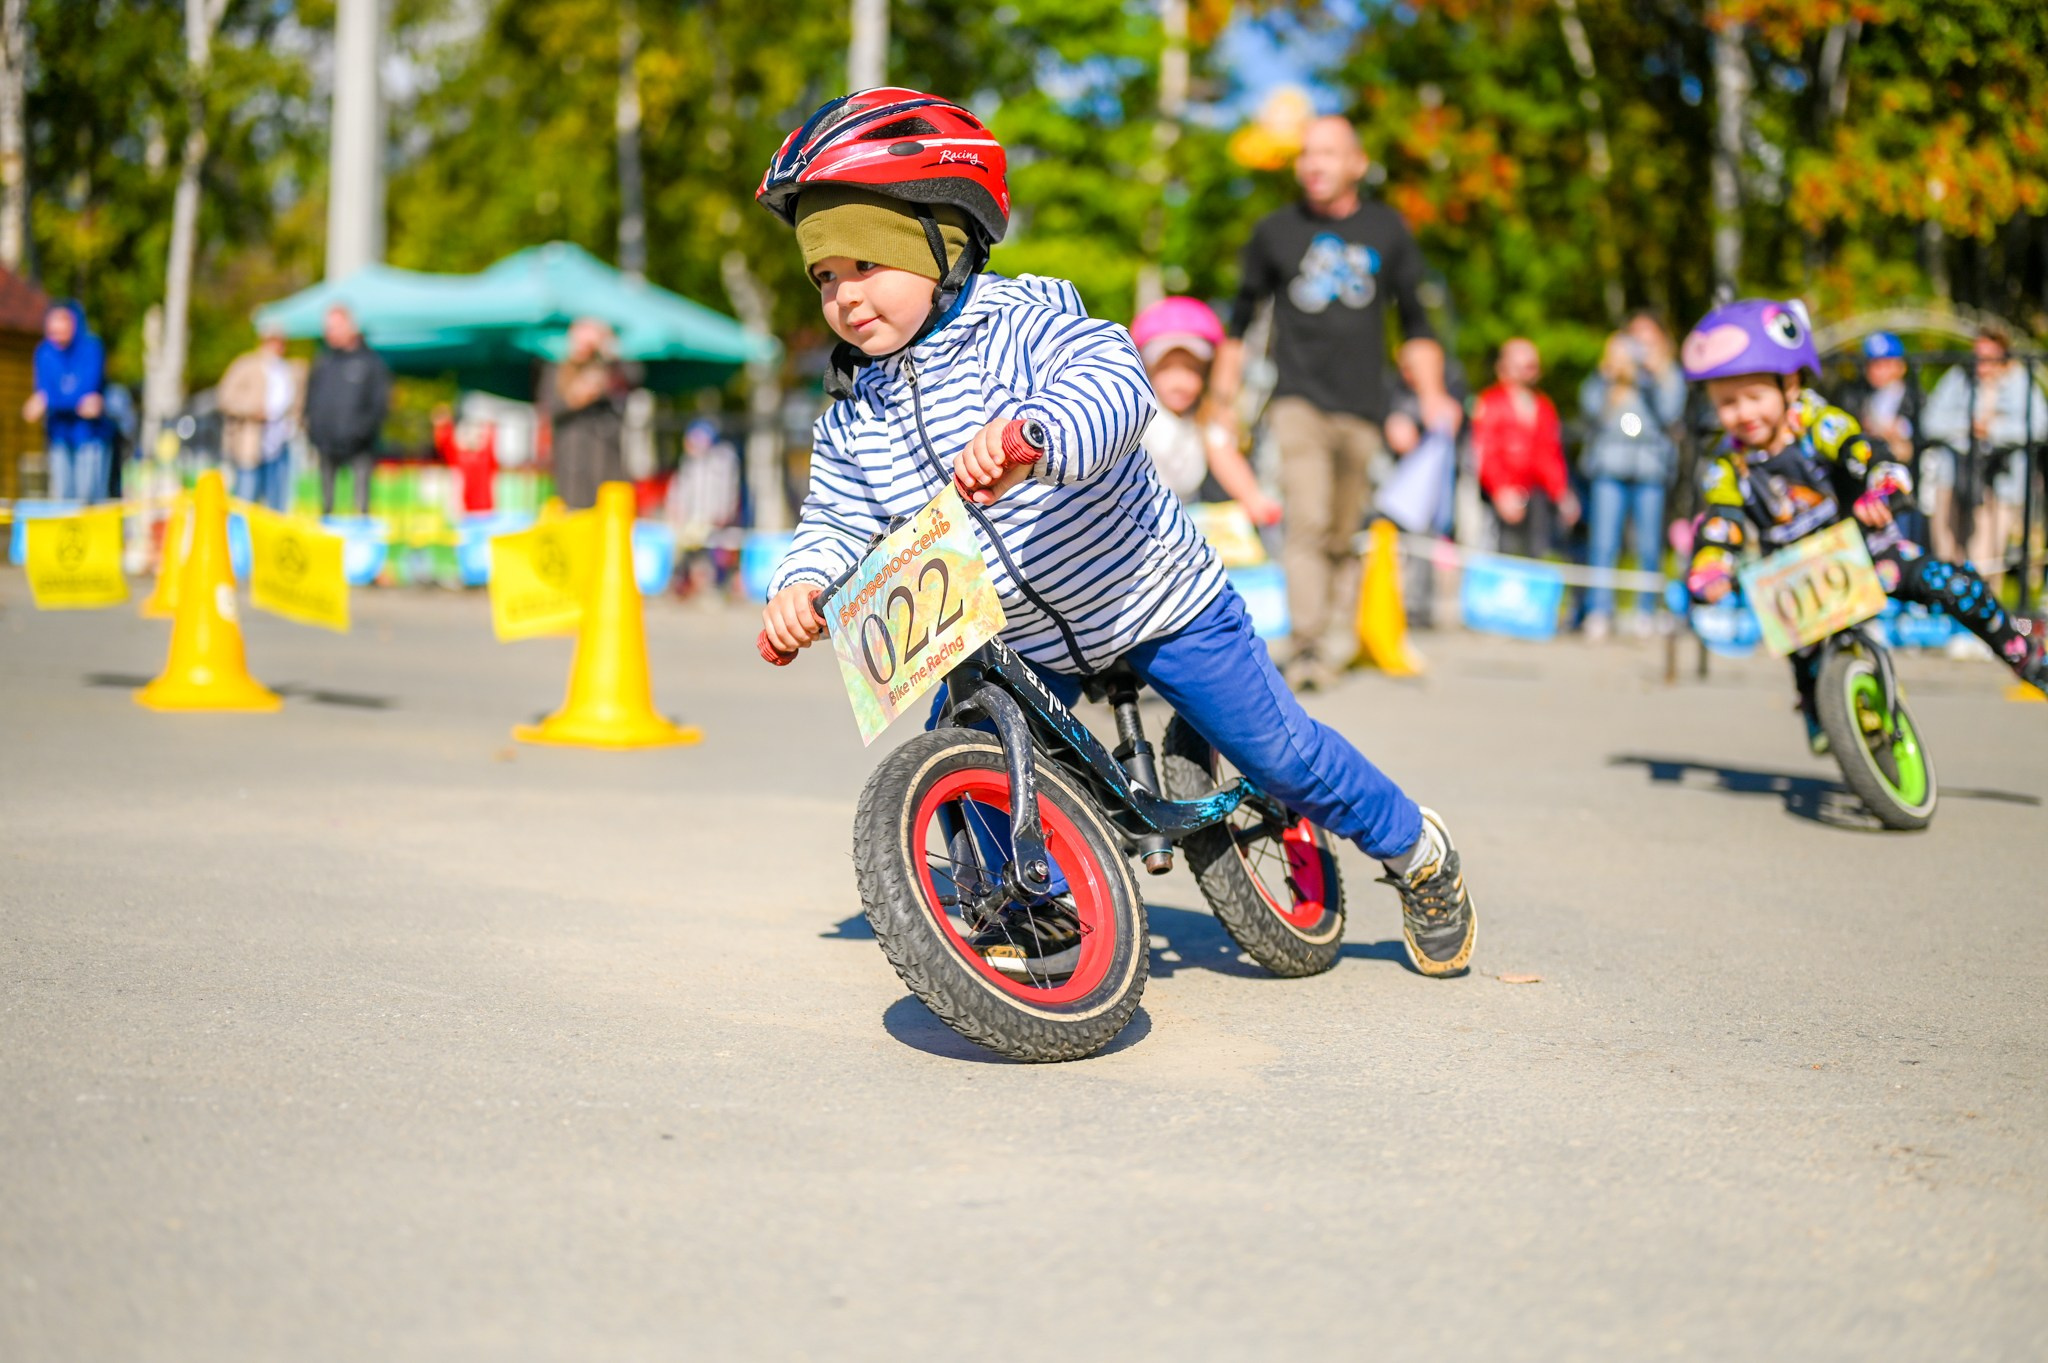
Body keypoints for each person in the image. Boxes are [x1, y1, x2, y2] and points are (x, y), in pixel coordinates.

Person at [754, 87, 1477, 979]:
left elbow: (1114, 382)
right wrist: (802, 586)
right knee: (960, 733)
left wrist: (1039, 434)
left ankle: (1416, 850)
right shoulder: (851, 407)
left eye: (864, 264)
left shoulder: (1025, 322)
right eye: (823, 277)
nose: (843, 297)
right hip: (1016, 630)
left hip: (1151, 596)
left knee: (1279, 753)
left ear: (940, 240)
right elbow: (836, 515)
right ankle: (1038, 904)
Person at [1680, 298, 2046, 751]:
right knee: (1807, 657)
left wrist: (1882, 480)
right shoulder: (1727, 466)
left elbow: (1860, 447)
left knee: (1948, 583)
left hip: (1860, 546)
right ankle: (1819, 704)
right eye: (1727, 403)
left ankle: (2019, 650)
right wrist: (1712, 563)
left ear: (1790, 383)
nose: (1742, 413)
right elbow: (1722, 520)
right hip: (1796, 577)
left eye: (1754, 396)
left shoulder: (1817, 424)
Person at [1208, 115, 1460, 690]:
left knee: (1345, 529)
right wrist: (1222, 402)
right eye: (1306, 154)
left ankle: (1340, 639)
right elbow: (1239, 323)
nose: (1313, 165)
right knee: (1309, 519)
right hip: (1298, 402)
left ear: (1356, 164)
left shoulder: (1387, 230)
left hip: (1364, 407)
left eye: (1327, 154)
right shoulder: (1275, 231)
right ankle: (1307, 648)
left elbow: (1417, 325)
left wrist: (1432, 395)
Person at [1579, 319, 1687, 638]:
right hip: (1609, 466)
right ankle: (1599, 610)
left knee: (1648, 544)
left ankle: (1645, 611)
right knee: (1603, 542)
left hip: (1650, 466)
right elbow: (1589, 408)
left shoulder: (1666, 375)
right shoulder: (1611, 376)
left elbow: (1669, 414)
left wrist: (1652, 377)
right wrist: (1606, 375)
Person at [1127, 295, 1280, 521]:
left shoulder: (1203, 419)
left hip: (1182, 517)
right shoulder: (1141, 417)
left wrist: (1253, 498)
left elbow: (1225, 457)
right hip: (1136, 518)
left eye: (1191, 369)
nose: (1179, 381)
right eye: (1167, 369)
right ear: (1147, 370)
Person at [1919, 323, 2047, 572]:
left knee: (1984, 561)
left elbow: (2038, 428)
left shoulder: (2022, 382)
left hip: (1999, 484)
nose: (1981, 365)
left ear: (2003, 355)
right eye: (1977, 357)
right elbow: (1930, 422)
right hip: (1954, 479)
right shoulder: (1959, 377)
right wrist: (1968, 427)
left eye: (1988, 358)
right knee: (1946, 556)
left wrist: (1994, 430)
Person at [1472, 337, 1576, 558]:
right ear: (1504, 368)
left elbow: (1549, 455)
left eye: (1533, 366)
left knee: (1535, 556)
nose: (1529, 371)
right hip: (1497, 500)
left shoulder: (1544, 407)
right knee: (1502, 556)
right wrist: (1500, 490)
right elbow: (1484, 452)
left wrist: (1561, 493)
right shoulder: (1490, 402)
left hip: (1536, 500)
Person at [304, 304, 391, 516]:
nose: (329, 333)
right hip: (325, 444)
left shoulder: (371, 362)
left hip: (359, 446)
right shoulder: (323, 361)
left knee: (360, 506)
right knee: (326, 508)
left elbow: (380, 404)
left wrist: (361, 431)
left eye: (334, 327)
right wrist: (314, 431)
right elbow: (310, 399)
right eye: (328, 328)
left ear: (350, 327)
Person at [27, 301, 109, 503]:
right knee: (62, 497)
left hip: (90, 434)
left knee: (88, 497)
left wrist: (49, 400)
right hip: (59, 435)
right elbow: (51, 393)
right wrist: (67, 401)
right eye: (52, 322)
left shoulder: (91, 348)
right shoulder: (44, 353)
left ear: (74, 322)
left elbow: (88, 392)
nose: (56, 328)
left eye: (62, 320)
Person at [219, 326, 307, 514]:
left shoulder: (288, 369)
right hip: (251, 443)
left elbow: (296, 405)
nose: (276, 346)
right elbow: (225, 397)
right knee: (246, 500)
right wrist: (252, 410)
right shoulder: (246, 364)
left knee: (277, 504)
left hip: (280, 444)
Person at [543, 318, 627, 511]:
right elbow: (550, 409)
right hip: (570, 464)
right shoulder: (558, 369)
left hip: (604, 462)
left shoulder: (606, 367)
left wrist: (608, 349)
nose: (583, 347)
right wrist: (577, 397)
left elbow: (632, 378)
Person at [431, 404, 498, 514]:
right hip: (467, 513)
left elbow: (491, 443)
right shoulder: (460, 456)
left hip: (485, 512)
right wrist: (443, 424)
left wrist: (490, 425)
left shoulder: (485, 458)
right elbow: (446, 443)